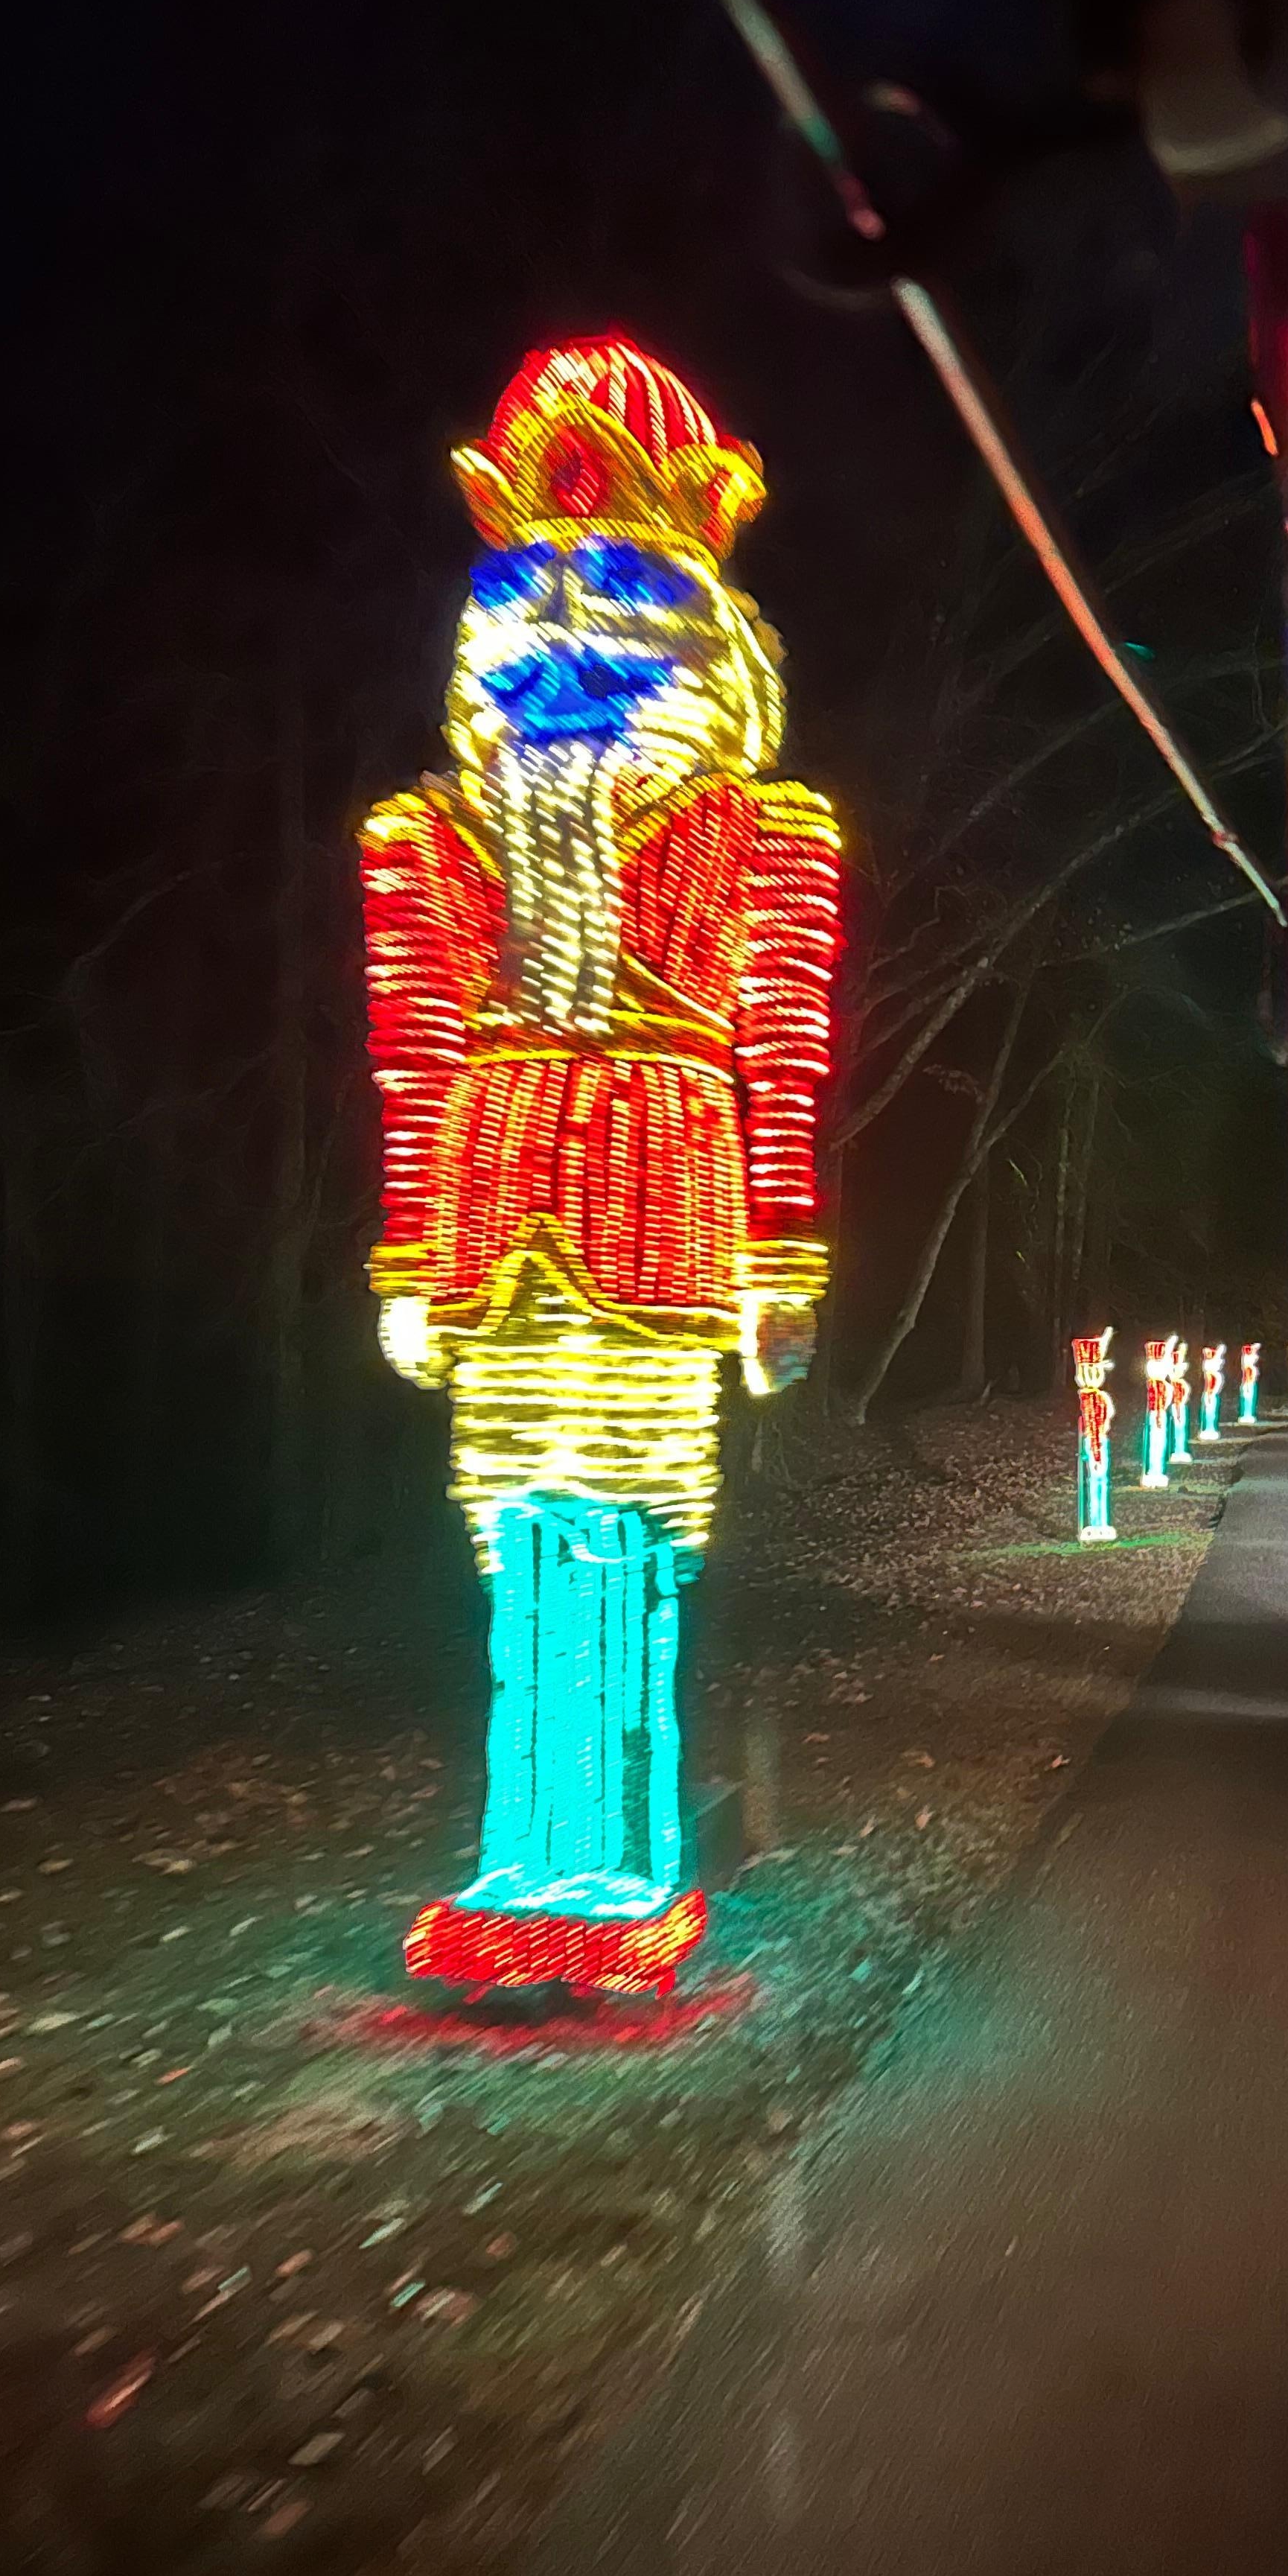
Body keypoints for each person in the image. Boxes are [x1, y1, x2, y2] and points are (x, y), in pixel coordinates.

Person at [360, 337, 840, 1993]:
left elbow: (784, 1052)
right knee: (515, 1534)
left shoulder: (764, 834)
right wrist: (407, 1258)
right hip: (491, 1216)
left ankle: (619, 1861)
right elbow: (414, 1056)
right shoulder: (432, 839)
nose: (565, 630)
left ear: (697, 619)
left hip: (665, 1202)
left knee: (630, 1526)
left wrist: (781, 1259)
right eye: (532, 593)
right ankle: (521, 1856)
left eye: (615, 589)